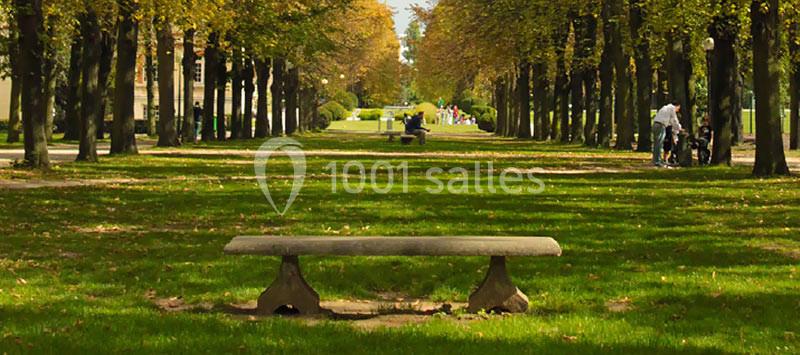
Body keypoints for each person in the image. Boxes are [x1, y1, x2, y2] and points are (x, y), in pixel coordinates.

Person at [652, 100, 682, 167]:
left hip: (655, 124)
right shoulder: (671, 109)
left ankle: (655, 160)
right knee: (659, 144)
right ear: (677, 106)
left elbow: (670, 121)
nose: (677, 110)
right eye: (678, 109)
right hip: (661, 125)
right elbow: (674, 120)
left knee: (656, 144)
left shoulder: (665, 108)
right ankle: (657, 161)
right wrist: (679, 128)